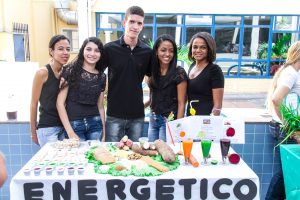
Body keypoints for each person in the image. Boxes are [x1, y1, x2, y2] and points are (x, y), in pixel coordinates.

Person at [103, 6, 152, 142]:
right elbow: (95, 73)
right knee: (113, 154)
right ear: (124, 23)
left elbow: (153, 79)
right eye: (132, 22)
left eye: (139, 23)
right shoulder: (109, 48)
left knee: (135, 156)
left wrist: (150, 101)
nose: (135, 26)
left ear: (142, 26)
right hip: (114, 114)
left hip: (137, 115)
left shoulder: (147, 52)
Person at [265, 41, 300, 200]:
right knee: (287, 171)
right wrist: (290, 126)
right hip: (287, 130)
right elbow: (276, 99)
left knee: (289, 171)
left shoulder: (291, 71)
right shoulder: (291, 73)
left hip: (285, 128)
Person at [57, 37, 106, 141]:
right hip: (74, 125)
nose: (92, 54)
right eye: (88, 49)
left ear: (101, 54)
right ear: (82, 50)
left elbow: (100, 106)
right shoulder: (70, 70)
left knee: (95, 157)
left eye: (97, 50)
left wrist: (104, 132)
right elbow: (60, 104)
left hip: (95, 124)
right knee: (78, 157)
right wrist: (70, 132)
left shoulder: (102, 76)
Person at [30, 35, 70, 147]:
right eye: (60, 49)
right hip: (48, 129)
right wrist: (33, 132)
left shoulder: (66, 72)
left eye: (68, 49)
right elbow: (33, 103)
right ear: (51, 51)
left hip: (64, 128)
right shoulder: (42, 73)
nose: (65, 52)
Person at [145, 34, 187, 142]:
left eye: (171, 51)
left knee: (166, 154)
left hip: (169, 121)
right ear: (156, 51)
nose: (167, 54)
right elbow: (152, 98)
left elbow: (182, 103)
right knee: (152, 152)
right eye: (163, 50)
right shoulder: (152, 71)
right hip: (153, 119)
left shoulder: (179, 73)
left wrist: (178, 126)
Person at [186, 32, 224, 116]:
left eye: (203, 47)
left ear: (209, 49)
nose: (198, 50)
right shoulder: (192, 66)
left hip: (205, 121)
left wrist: (209, 124)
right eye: (195, 47)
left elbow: (218, 105)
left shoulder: (214, 70)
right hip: (190, 118)